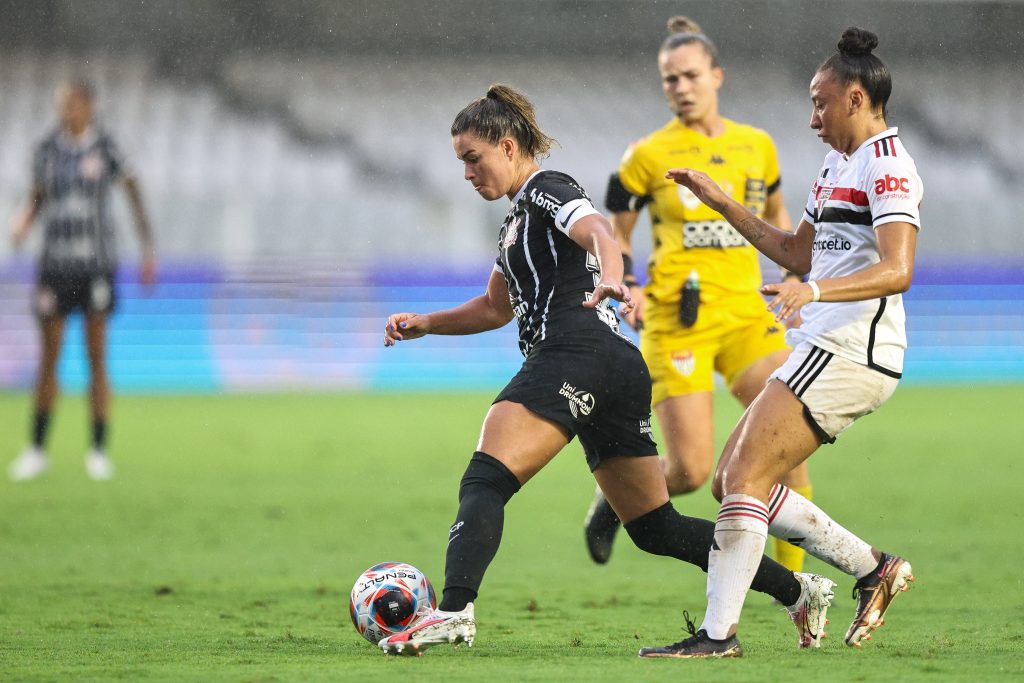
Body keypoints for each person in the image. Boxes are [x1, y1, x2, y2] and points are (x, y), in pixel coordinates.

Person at [377, 83, 835, 657]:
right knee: (656, 528)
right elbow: (496, 307)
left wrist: (612, 274)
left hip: (576, 352)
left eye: (474, 158)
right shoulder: (514, 224)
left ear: (509, 144)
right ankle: (800, 590)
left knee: (485, 479)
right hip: (615, 366)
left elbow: (597, 230)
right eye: (461, 162)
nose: (467, 173)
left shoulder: (548, 188)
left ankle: (454, 611)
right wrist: (427, 322)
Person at [639, 27, 919, 658]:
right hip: (826, 346)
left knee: (741, 475)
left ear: (855, 97)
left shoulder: (889, 167)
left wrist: (812, 293)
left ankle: (719, 635)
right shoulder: (836, 165)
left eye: (820, 102)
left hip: (854, 352)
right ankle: (874, 569)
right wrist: (720, 203)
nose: (812, 115)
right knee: (729, 483)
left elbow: (899, 268)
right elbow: (797, 250)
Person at [584, 16, 813, 573]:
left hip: (745, 314)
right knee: (689, 471)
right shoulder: (645, 156)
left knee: (789, 444)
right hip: (676, 319)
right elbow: (613, 233)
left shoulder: (756, 146)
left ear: (717, 76)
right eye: (669, 80)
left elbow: (780, 221)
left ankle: (799, 592)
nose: (680, 88)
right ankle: (614, 501)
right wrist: (629, 285)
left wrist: (794, 275)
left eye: (689, 76)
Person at [7, 79, 156, 482]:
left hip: (95, 266)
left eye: (72, 105)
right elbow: (37, 196)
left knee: (96, 356)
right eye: (61, 105)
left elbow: (133, 192)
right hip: (55, 265)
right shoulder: (46, 151)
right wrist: (23, 222)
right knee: (49, 357)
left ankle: (98, 450)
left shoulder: (106, 148)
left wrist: (147, 250)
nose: (66, 112)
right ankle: (37, 449)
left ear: (89, 106)